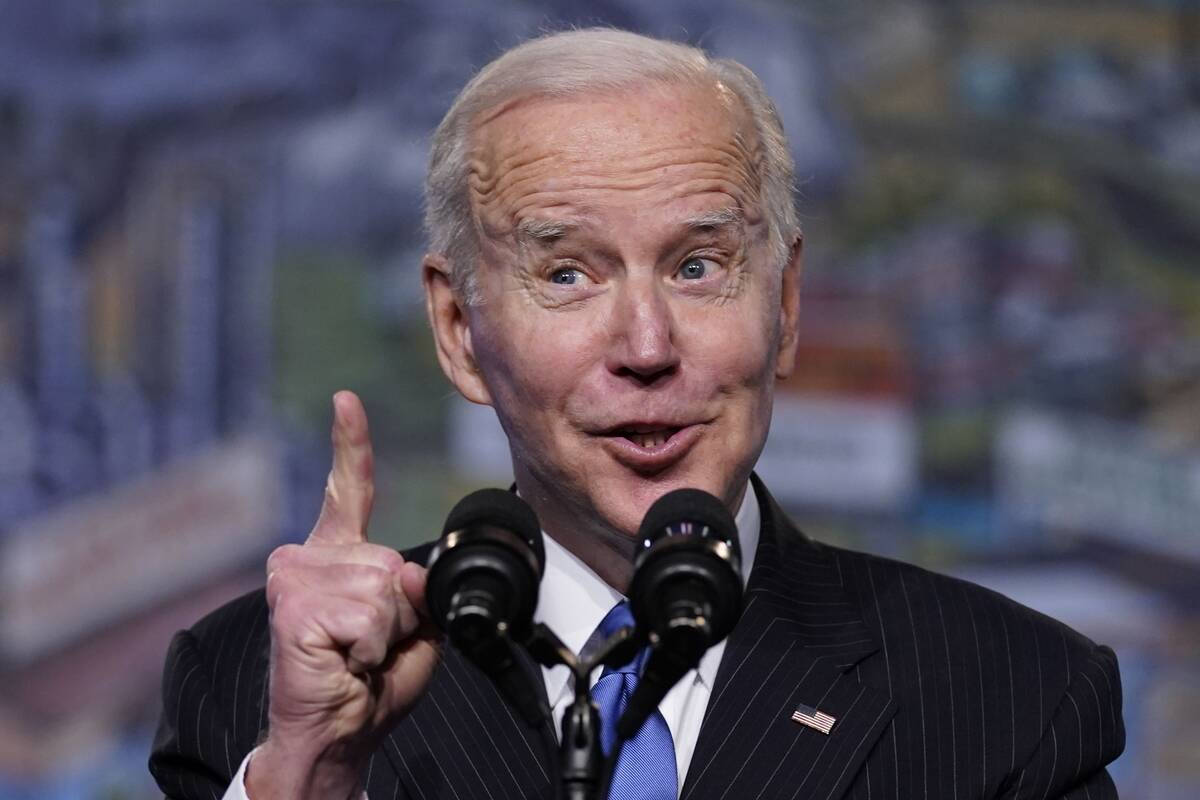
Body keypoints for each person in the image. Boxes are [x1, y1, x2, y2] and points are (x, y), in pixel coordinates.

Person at [149, 28, 1124, 800]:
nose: (648, 346)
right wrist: (313, 777)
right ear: (457, 328)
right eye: (568, 273)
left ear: (783, 306)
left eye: (698, 266)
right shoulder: (251, 688)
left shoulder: (1009, 696)